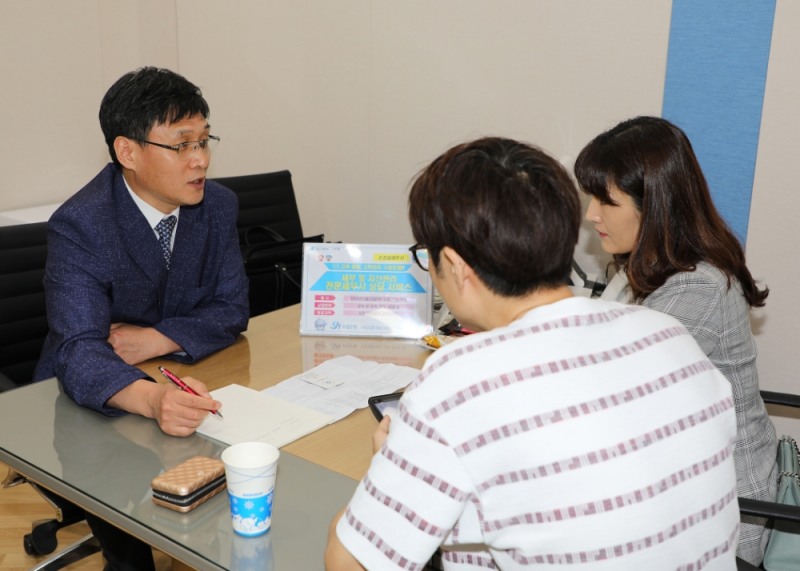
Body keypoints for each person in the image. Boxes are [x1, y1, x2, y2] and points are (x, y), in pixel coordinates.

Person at [325, 137, 740, 570]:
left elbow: (348, 563)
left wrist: (390, 469)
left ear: (455, 264)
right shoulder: (666, 333)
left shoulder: (459, 381)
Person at [34, 67, 249, 570]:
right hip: (89, 401)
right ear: (127, 152)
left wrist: (156, 338)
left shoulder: (217, 206)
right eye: (182, 145)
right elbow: (78, 349)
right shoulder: (81, 224)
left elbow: (232, 307)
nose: (200, 159)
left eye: (204, 140)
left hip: (180, 373)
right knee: (130, 545)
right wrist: (153, 399)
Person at [574, 115, 777, 566]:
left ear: (654, 206)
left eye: (606, 200)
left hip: (725, 517)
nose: (591, 214)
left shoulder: (696, 288)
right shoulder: (651, 266)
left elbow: (611, 398)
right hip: (679, 486)